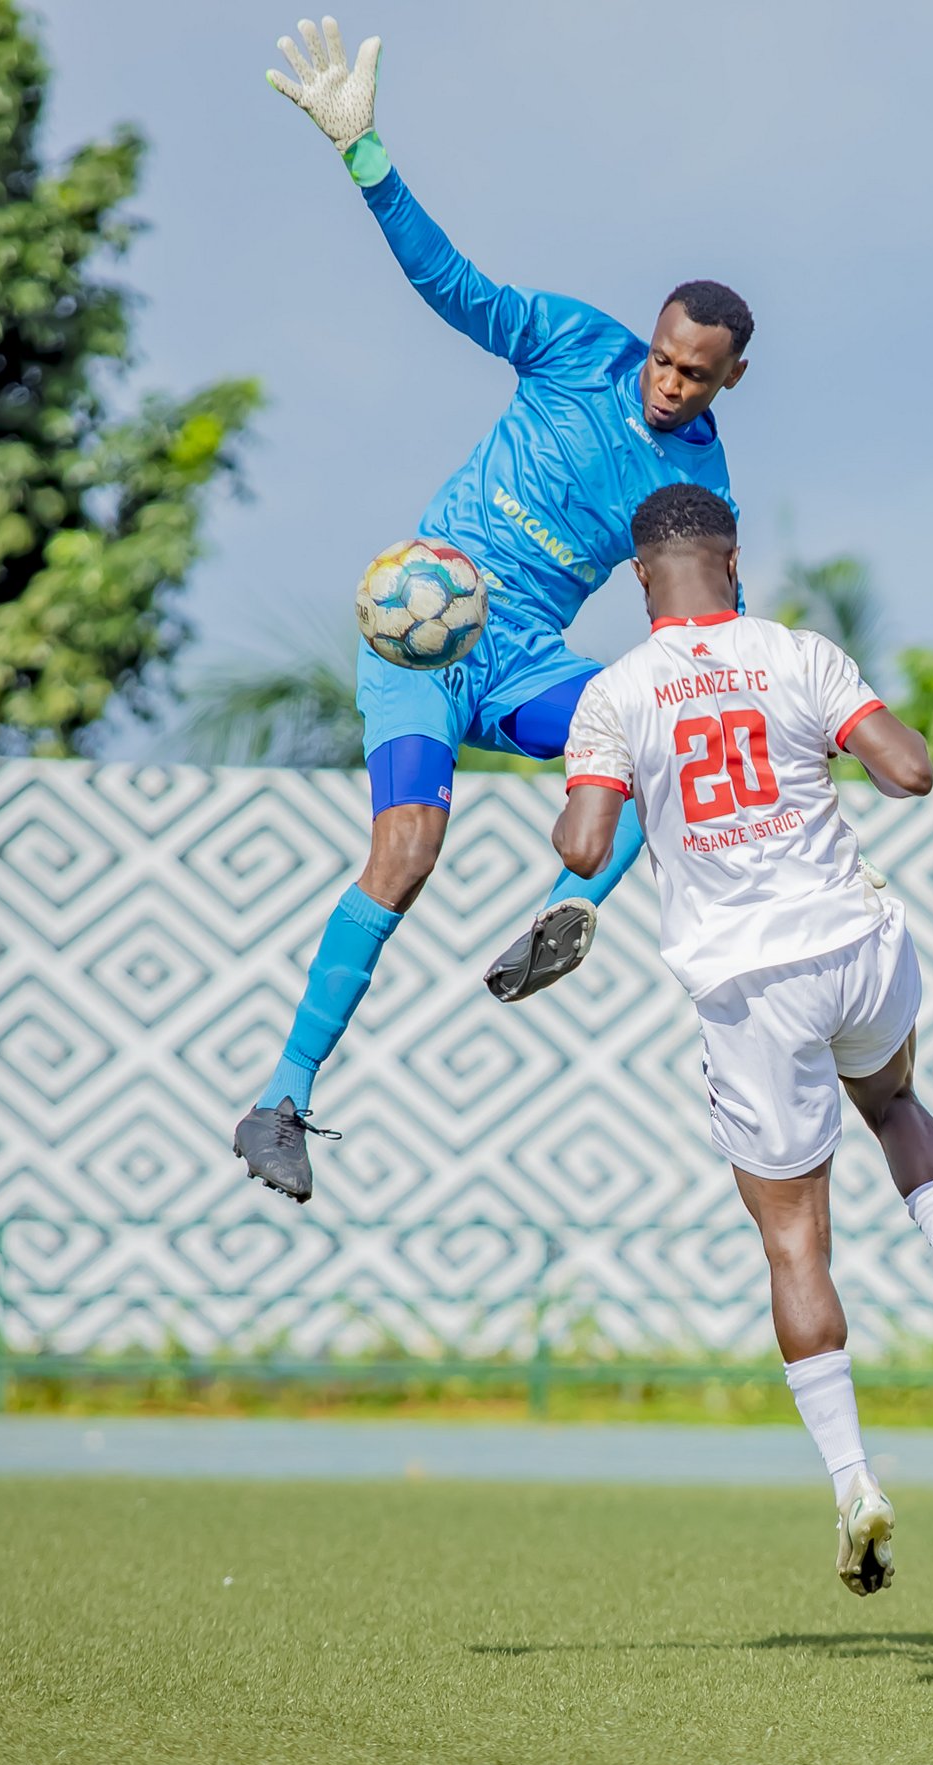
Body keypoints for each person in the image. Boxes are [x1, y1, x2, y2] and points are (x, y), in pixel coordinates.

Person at [237, 17, 750, 1202]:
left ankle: (566, 915)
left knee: (662, 734)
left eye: (694, 373)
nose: (668, 382)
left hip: (523, 662)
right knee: (407, 851)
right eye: (664, 357)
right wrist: (365, 154)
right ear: (653, 336)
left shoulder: (704, 487)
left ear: (732, 376)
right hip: (424, 634)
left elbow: (708, 627)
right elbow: (450, 284)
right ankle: (281, 1101)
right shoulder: (574, 346)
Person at [550, 484, 933, 1593]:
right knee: (896, 1104)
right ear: (733, 560)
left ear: (639, 577)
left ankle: (855, 1484)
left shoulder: (617, 693)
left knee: (796, 1243)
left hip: (748, 985)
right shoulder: (800, 653)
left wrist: (598, 786)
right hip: (855, 943)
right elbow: (910, 770)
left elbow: (583, 848)